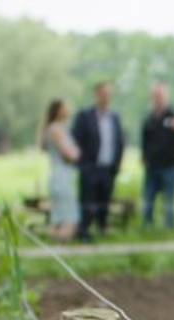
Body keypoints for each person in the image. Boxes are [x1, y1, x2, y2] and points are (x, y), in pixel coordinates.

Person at [71, 81, 125, 242]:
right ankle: (84, 231)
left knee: (105, 201)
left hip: (108, 168)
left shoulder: (115, 117)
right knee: (87, 201)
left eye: (109, 94)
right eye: (103, 94)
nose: (106, 97)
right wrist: (82, 165)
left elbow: (120, 142)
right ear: (96, 95)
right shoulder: (84, 116)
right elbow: (76, 140)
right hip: (90, 168)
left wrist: (117, 164)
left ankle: (102, 228)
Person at [141, 83, 174, 229]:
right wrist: (144, 156)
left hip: (170, 167)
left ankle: (170, 229)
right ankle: (147, 229)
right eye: (155, 96)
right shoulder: (149, 118)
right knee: (147, 200)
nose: (157, 99)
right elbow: (144, 140)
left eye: (160, 96)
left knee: (169, 203)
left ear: (166, 97)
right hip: (151, 167)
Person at [39, 99, 80, 241]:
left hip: (59, 174)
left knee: (59, 214)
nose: (68, 109)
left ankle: (54, 243)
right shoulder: (56, 129)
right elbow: (69, 154)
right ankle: (59, 242)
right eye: (65, 107)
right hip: (61, 175)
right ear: (58, 110)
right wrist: (77, 152)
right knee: (68, 216)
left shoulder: (54, 128)